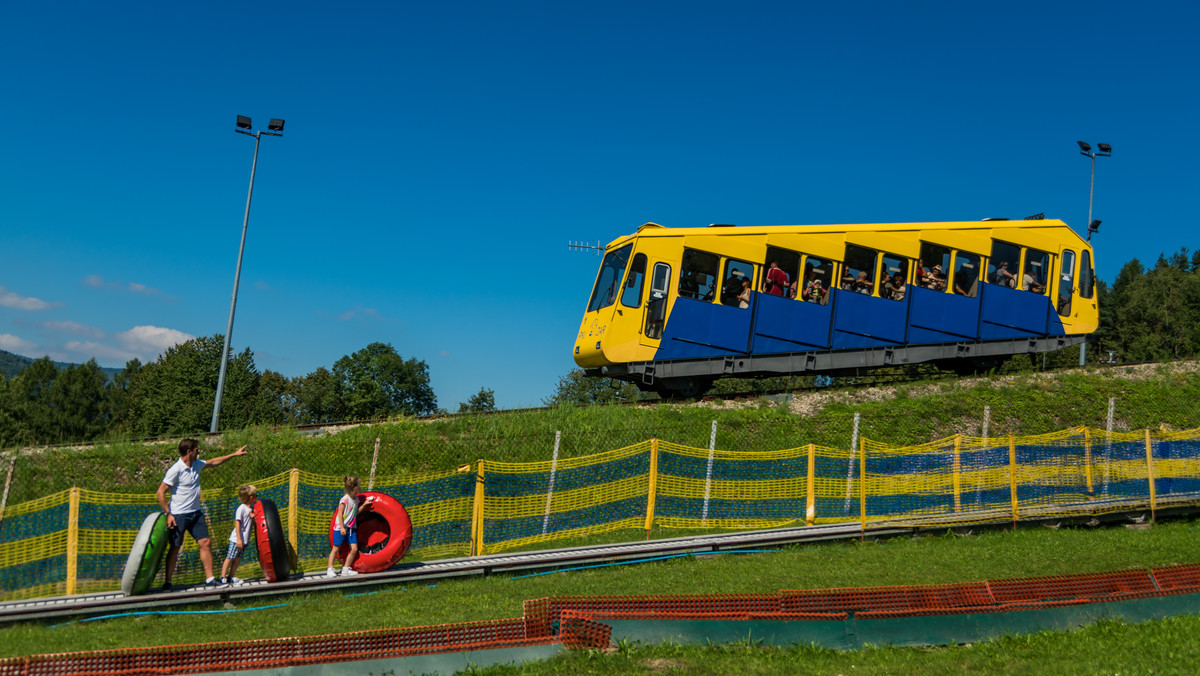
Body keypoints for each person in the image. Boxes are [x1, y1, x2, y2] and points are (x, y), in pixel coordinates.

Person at [157, 439, 248, 590]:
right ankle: (168, 582)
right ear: (189, 452)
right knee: (175, 547)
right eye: (197, 450)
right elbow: (160, 492)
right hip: (179, 515)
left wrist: (234, 454)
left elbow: (214, 462)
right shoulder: (176, 469)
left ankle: (210, 579)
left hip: (196, 514)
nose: (198, 452)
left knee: (205, 542)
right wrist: (169, 513)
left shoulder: (197, 464)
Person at [326, 475, 374, 577]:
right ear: (355, 488)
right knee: (335, 548)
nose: (360, 489)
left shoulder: (355, 499)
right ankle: (330, 569)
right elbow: (340, 513)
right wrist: (342, 527)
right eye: (359, 487)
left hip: (352, 528)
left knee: (354, 549)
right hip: (341, 528)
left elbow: (355, 513)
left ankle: (346, 569)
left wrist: (364, 505)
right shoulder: (345, 499)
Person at [220, 484, 257, 586]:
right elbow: (237, 523)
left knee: (237, 558)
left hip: (245, 540)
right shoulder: (241, 508)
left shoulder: (251, 509)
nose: (257, 496)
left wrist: (253, 517)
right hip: (237, 539)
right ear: (251, 497)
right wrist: (239, 539)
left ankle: (231, 576)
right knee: (230, 557)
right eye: (255, 495)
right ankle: (222, 577)